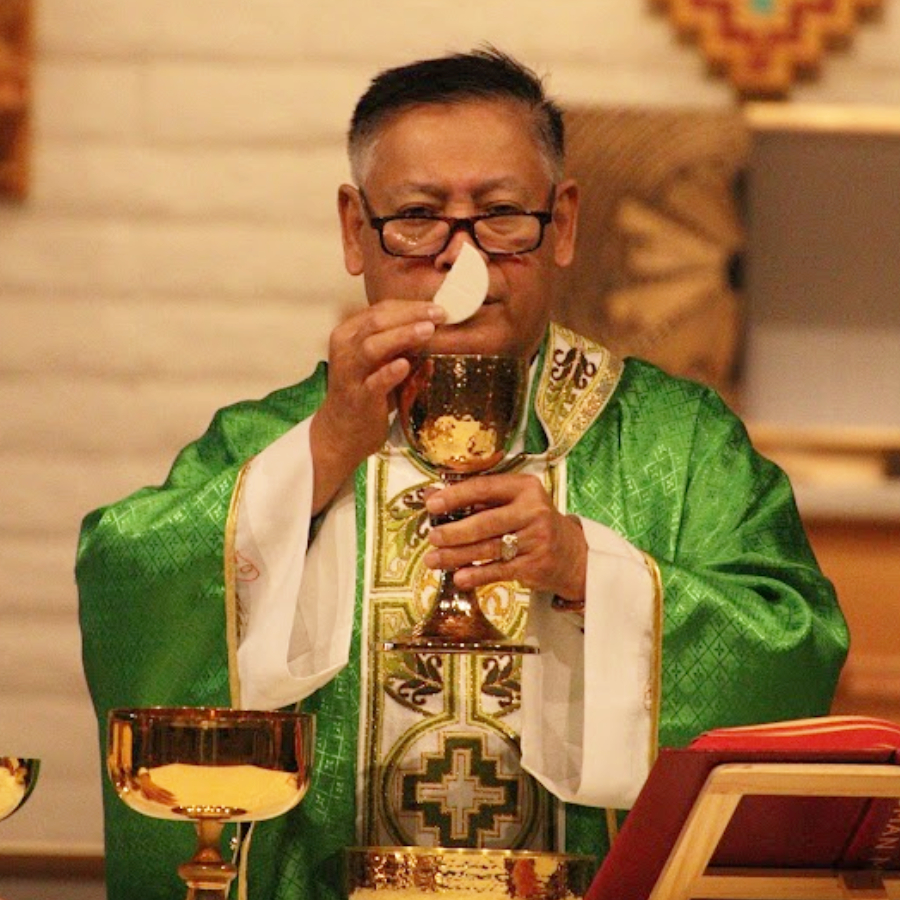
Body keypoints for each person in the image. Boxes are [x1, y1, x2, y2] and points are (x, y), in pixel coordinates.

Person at [77, 48, 848, 900]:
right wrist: (323, 456)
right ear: (353, 229)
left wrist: (589, 572)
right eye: (417, 217)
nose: (460, 257)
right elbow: (129, 580)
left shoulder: (682, 447)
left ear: (563, 223)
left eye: (502, 215)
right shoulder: (275, 442)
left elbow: (795, 647)